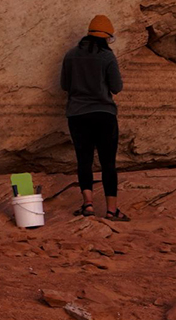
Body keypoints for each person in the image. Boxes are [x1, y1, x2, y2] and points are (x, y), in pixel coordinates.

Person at [60, 15, 129, 221]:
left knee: (84, 161)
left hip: (77, 115)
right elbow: (116, 87)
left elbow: (65, 85)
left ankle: (88, 205)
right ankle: (111, 210)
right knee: (108, 163)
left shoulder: (71, 55)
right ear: (107, 37)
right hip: (103, 115)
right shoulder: (107, 57)